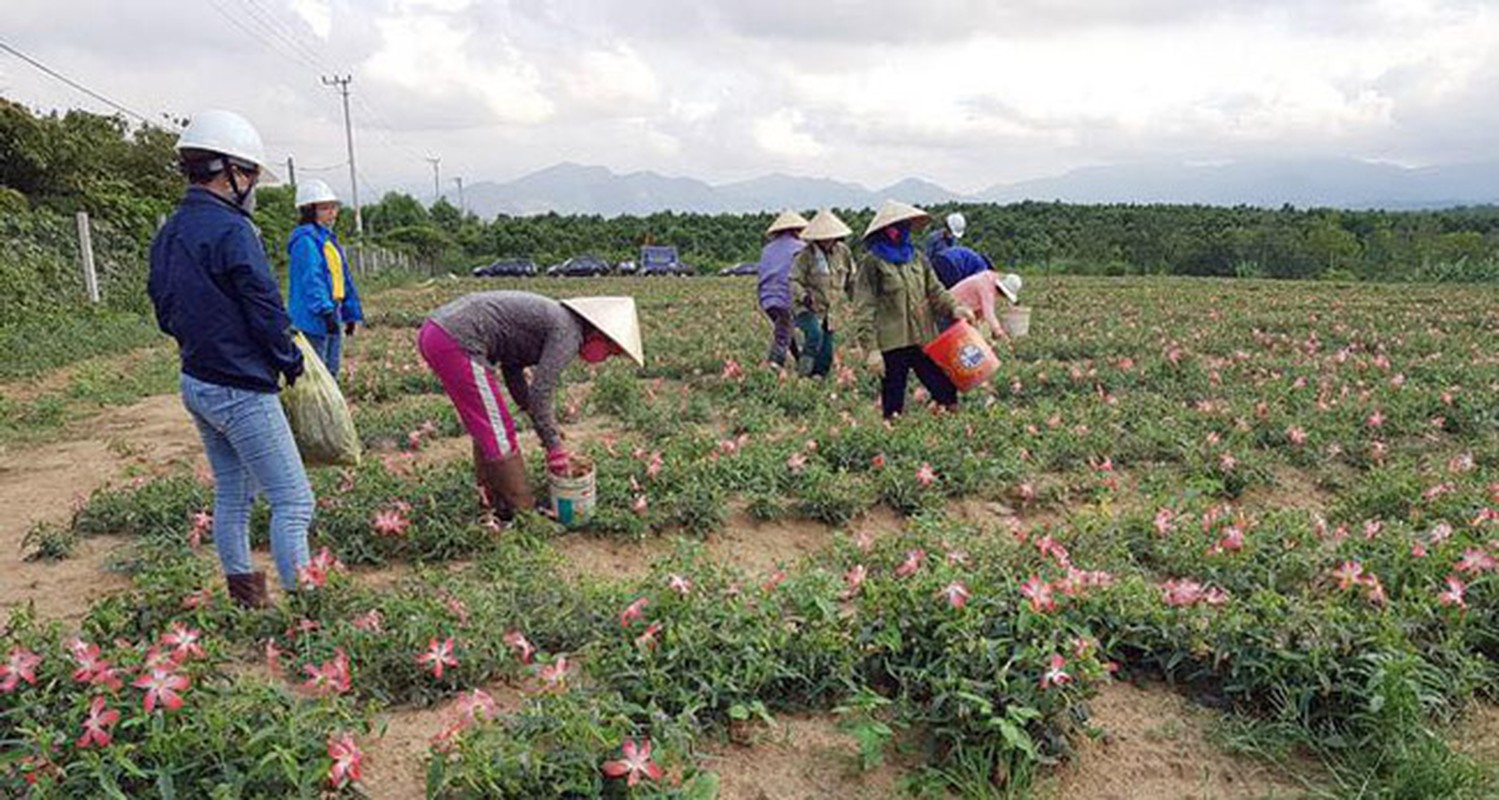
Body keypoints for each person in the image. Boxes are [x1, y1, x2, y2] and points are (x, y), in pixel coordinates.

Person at [147, 110, 310, 608]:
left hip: (197, 380)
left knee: (234, 493)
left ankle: (246, 601)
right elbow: (263, 306)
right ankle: (309, 610)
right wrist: (289, 360)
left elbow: (162, 305)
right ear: (231, 171)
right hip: (241, 386)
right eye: (254, 174)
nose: (255, 186)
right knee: (293, 500)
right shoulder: (233, 230)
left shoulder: (171, 230)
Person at [418, 292, 644, 519]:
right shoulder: (569, 334)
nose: (607, 358)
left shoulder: (559, 322)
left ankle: (494, 502)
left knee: (487, 426)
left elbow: (512, 367)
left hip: (438, 332)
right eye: (612, 351)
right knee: (498, 428)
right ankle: (525, 512)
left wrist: (528, 409)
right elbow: (541, 391)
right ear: (599, 336)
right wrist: (554, 448)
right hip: (457, 339)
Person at [851, 200, 975, 418]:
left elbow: (936, 291)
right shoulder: (872, 263)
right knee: (893, 399)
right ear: (887, 231)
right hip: (892, 341)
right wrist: (871, 349)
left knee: (944, 388)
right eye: (899, 227)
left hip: (922, 337)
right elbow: (864, 307)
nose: (904, 231)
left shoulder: (917, 257)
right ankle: (893, 439)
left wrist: (955, 309)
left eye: (906, 225)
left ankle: (951, 428)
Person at [287, 178, 363, 379]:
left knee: (331, 369)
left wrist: (349, 313)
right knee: (317, 373)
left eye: (333, 207)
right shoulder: (305, 240)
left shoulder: (327, 239)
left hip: (332, 310)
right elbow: (312, 279)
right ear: (309, 211)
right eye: (324, 208)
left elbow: (341, 279)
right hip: (313, 315)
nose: (332, 213)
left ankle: (330, 410)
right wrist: (325, 311)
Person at [788, 208, 856, 377]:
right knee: (814, 334)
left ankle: (817, 380)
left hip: (831, 310)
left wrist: (858, 301)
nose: (826, 240)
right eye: (822, 238)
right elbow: (793, 280)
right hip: (807, 307)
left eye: (829, 237)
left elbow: (851, 280)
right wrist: (803, 296)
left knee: (826, 353)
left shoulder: (843, 252)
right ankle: (803, 375)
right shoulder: (805, 255)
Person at [756, 209, 809, 367]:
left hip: (765, 298)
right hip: (786, 296)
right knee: (783, 334)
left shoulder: (767, 249)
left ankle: (799, 360)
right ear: (796, 230)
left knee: (785, 329)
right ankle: (773, 367)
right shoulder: (801, 247)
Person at [950, 271, 1023, 341]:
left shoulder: (989, 279)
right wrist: (999, 332)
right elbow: (989, 313)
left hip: (963, 308)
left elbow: (981, 307)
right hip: (952, 306)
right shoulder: (986, 285)